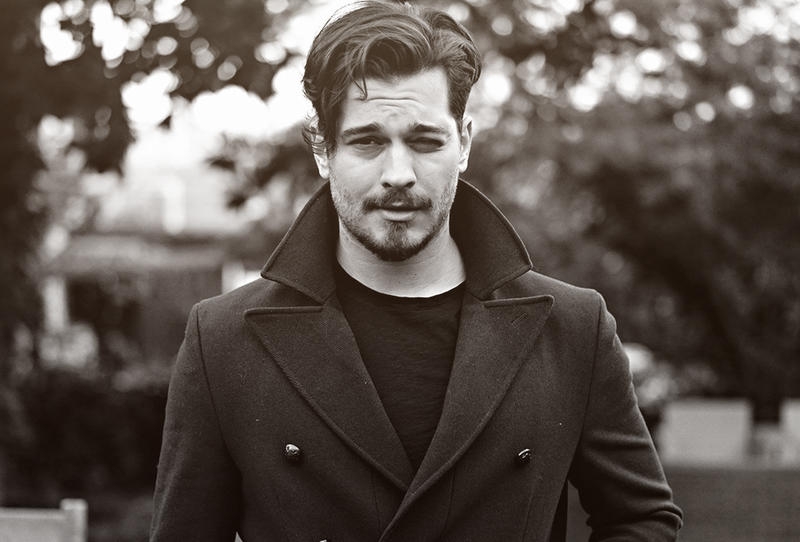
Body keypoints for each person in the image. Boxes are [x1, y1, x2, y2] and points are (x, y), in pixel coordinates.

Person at [150, 1, 683, 540]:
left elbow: (641, 518)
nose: (398, 174)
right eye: (368, 141)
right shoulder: (223, 340)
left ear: (464, 143)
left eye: (425, 141)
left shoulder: (572, 328)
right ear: (323, 149)